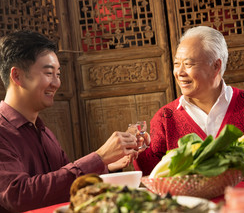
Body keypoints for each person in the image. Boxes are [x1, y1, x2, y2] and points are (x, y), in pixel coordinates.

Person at [0, 30, 146, 212]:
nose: (57, 83)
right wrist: (98, 157)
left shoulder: (44, 131)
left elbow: (65, 185)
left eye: (58, 74)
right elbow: (19, 196)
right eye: (48, 73)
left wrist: (107, 164)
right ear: (17, 76)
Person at [133, 26, 244, 175]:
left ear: (216, 66)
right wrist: (139, 148)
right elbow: (153, 175)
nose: (179, 72)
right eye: (176, 64)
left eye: (188, 64)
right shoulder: (165, 118)